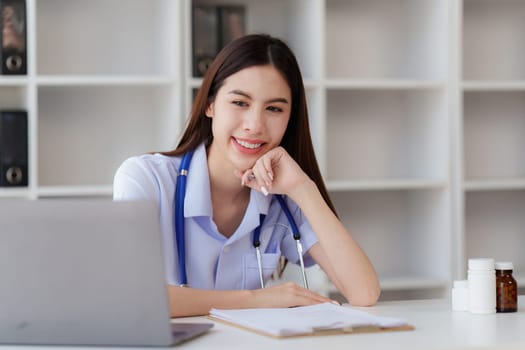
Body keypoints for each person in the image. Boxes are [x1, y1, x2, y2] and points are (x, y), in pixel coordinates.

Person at [113, 34, 380, 317]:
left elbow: (364, 292)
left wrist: (303, 188)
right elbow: (133, 297)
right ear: (210, 104)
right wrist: (257, 299)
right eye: (240, 103)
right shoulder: (145, 179)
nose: (255, 125)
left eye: (274, 109)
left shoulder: (285, 195)